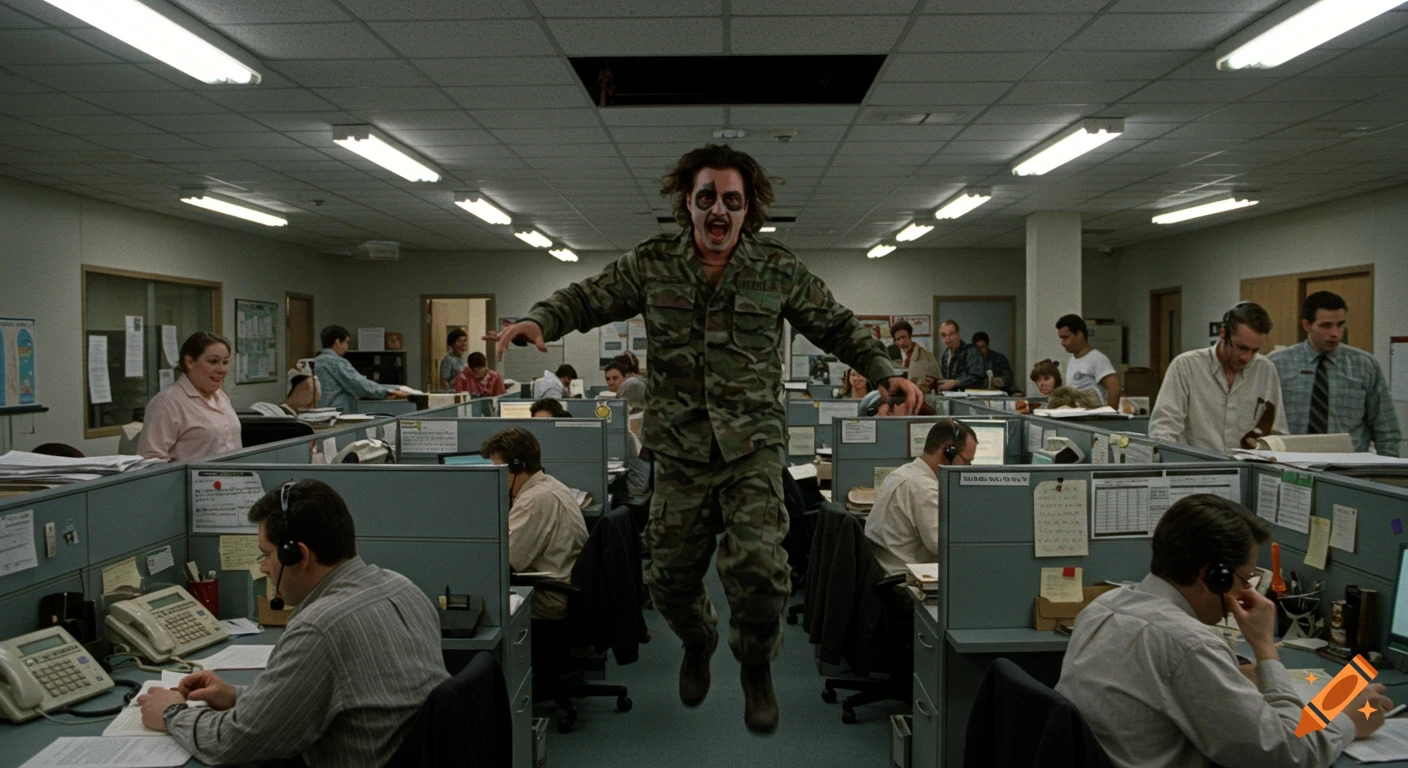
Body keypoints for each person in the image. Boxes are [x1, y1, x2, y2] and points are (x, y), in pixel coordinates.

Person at [486, 144, 921, 733]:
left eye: (732, 201)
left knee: (764, 573)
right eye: (707, 198)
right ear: (687, 204)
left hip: (752, 448)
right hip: (682, 448)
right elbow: (588, 295)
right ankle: (699, 638)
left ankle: (754, 662)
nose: (720, 211)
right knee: (668, 577)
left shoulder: (777, 268)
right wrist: (543, 318)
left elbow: (836, 323)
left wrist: (883, 366)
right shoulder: (652, 263)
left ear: (749, 209)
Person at [1056, 494, 1391, 768]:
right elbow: (1291, 753)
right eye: (1244, 579)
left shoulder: (1104, 606)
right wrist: (1349, 720)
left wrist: (1244, 672)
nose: (1246, 591)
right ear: (1212, 576)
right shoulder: (1187, 644)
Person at [136, 479, 448, 766]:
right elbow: (333, 697)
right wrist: (236, 697)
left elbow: (234, 742)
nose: (264, 568)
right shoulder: (403, 587)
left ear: (297, 555)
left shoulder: (321, 628)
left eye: (266, 554)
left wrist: (170, 713)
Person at [1269, 291, 1400, 456]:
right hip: (1293, 465)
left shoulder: (1364, 365)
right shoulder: (1277, 364)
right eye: (1326, 326)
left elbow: (1385, 427)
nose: (1335, 333)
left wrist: (1387, 474)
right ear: (1307, 325)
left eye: (1340, 325)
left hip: (1349, 469)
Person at [1149, 302, 1288, 454]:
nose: (1247, 357)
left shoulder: (1265, 370)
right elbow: (1164, 429)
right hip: (1195, 469)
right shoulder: (1186, 366)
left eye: (1254, 350)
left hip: (1246, 470)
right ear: (1223, 333)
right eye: (1242, 347)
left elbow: (1278, 433)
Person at [481, 428, 588, 620]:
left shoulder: (534, 501)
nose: (494, 475)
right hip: (563, 586)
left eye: (497, 468)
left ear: (516, 467)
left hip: (550, 599)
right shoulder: (548, 484)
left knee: (479, 604)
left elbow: (504, 562)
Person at [864, 420, 977, 577]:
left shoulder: (902, 473)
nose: (968, 468)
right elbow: (944, 546)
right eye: (967, 461)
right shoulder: (923, 488)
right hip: (903, 582)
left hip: (887, 569)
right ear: (947, 452)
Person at [138, 332, 242, 461]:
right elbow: (150, 461)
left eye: (225, 362)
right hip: (192, 480)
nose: (222, 369)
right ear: (190, 362)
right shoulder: (167, 403)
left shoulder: (221, 396)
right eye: (213, 361)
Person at [315, 325, 408, 411]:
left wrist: (394, 388)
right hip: (336, 414)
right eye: (346, 342)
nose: (346, 347)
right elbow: (358, 383)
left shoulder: (315, 362)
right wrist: (388, 392)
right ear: (337, 342)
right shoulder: (336, 362)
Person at [1056, 314, 1121, 408]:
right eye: (1060, 338)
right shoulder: (1071, 361)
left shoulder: (1097, 358)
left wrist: (1110, 416)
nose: (1062, 342)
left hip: (1094, 419)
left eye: (1065, 337)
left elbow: (1114, 388)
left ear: (1079, 335)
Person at [935, 320, 985, 392]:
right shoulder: (946, 355)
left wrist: (956, 382)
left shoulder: (972, 352)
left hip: (969, 398)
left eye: (951, 334)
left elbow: (979, 378)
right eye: (944, 335)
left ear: (958, 334)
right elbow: (949, 379)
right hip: (952, 397)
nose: (947, 338)